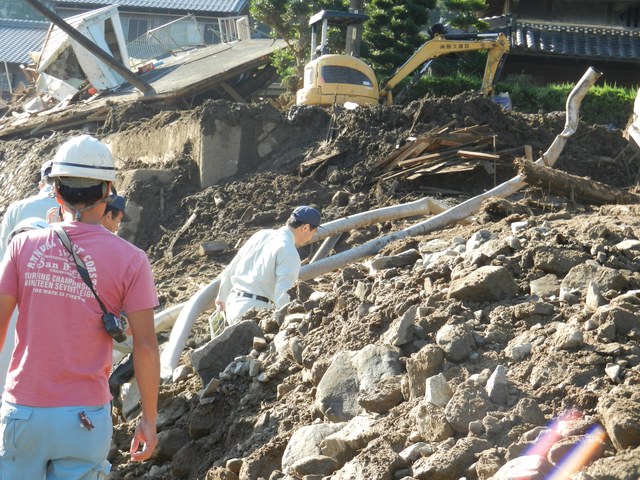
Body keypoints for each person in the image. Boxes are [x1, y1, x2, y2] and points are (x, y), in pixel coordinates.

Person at [0, 134, 160, 478]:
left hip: (23, 412)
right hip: (85, 417)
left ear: (56, 191)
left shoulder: (22, 246)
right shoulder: (132, 260)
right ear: (107, 191)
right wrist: (148, 418)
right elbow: (146, 346)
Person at [215, 205, 321, 325]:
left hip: (232, 305)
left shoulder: (260, 235)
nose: (313, 235)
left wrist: (222, 296)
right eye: (315, 231)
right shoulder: (289, 252)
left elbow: (231, 269)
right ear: (306, 228)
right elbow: (283, 294)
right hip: (254, 312)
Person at [0, 159, 58, 259]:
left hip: (20, 271)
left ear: (40, 185)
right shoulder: (72, 209)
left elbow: (4, 253)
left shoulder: (16, 208)